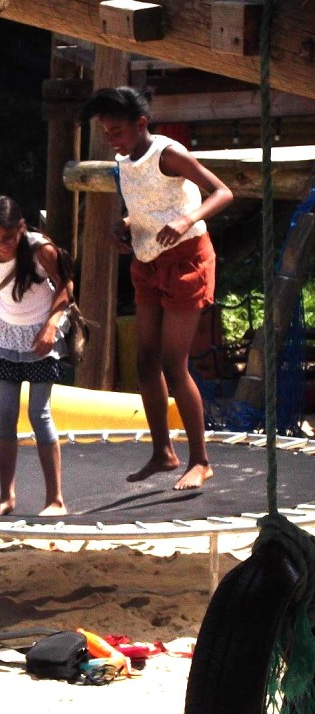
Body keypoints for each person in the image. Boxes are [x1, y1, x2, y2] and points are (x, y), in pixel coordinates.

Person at [81, 86, 234, 490]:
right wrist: (125, 226)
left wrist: (187, 220)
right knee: (145, 362)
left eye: (116, 131)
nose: (111, 139)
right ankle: (163, 452)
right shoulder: (123, 161)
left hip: (186, 261)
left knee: (173, 363)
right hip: (147, 262)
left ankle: (201, 460)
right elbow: (145, 207)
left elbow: (223, 191)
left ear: (141, 123)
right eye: (106, 132)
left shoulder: (169, 153)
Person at [0, 195, 71, 517]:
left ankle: (55, 499)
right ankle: (7, 495)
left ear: (20, 227)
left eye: (7, 238)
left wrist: (51, 326)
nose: (1, 246)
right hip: (5, 334)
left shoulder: (40, 248)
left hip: (41, 335)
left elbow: (66, 286)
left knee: (39, 413)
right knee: (5, 413)